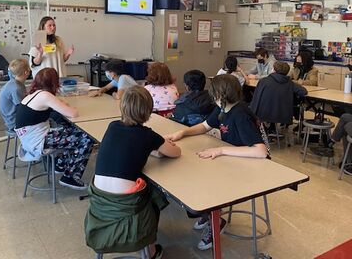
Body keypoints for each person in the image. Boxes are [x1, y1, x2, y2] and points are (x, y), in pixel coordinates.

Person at [165, 75, 267, 250]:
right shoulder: (223, 108)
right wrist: (182, 133)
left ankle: (215, 218)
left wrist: (220, 150)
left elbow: (260, 151)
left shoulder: (240, 114)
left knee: (206, 183)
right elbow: (205, 126)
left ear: (220, 94)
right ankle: (209, 213)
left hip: (251, 164)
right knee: (194, 174)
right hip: (235, 157)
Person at [85, 86, 181, 258]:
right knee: (155, 196)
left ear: (122, 106)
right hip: (125, 203)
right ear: (148, 110)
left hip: (100, 201)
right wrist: (158, 146)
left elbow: (127, 146)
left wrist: (150, 149)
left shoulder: (112, 126)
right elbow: (176, 153)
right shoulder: (147, 135)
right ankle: (150, 249)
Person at [14, 67, 94, 190]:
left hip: (29, 139)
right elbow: (73, 113)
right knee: (87, 137)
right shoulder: (45, 95)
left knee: (72, 132)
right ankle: (71, 177)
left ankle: (60, 164)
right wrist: (64, 104)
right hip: (38, 142)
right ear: (54, 82)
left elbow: (59, 105)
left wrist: (60, 103)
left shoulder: (34, 94)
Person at [250, 61, 307, 126]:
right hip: (282, 115)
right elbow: (303, 91)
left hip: (263, 113)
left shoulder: (263, 81)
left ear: (274, 70)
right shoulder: (290, 83)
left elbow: (256, 98)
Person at [0, 59, 30, 132]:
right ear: (26, 72)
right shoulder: (16, 88)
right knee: (46, 115)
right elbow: (22, 108)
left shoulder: (14, 83)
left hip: (11, 119)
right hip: (14, 123)